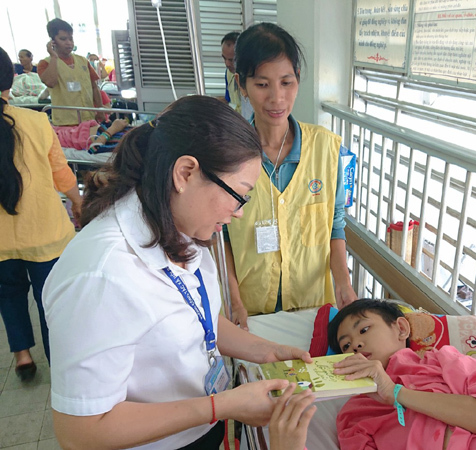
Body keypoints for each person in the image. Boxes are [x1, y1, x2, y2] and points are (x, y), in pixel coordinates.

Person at [42, 94, 316, 450]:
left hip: (201, 429)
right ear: (185, 173)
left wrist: (265, 351)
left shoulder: (181, 228)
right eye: (239, 195)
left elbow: (197, 318)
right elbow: (81, 432)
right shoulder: (102, 274)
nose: (239, 212)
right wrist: (222, 405)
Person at [224, 22, 357, 330]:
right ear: (241, 84)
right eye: (262, 84)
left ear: (298, 79)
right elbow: (223, 236)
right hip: (250, 313)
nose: (277, 98)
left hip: (313, 311)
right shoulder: (227, 155)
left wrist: (343, 285)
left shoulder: (329, 149)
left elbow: (336, 226)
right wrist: (235, 301)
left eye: (286, 82)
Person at [327, 299, 476, 449]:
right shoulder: (354, 415)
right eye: (346, 346)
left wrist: (396, 393)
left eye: (364, 330)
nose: (356, 344)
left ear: (401, 329)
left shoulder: (445, 362)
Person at [0, 46, 82, 381]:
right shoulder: (35, 121)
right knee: (50, 297)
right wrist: (78, 202)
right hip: (44, 230)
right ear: (9, 80)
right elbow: (61, 173)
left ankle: (22, 356)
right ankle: (58, 358)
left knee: (9, 294)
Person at [38, 18, 104, 125]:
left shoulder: (82, 61)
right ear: (52, 41)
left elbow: (94, 87)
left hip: (89, 119)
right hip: (65, 123)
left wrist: (100, 108)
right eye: (63, 39)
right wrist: (54, 57)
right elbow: (50, 82)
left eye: (71, 39)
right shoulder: (46, 63)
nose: (69, 43)